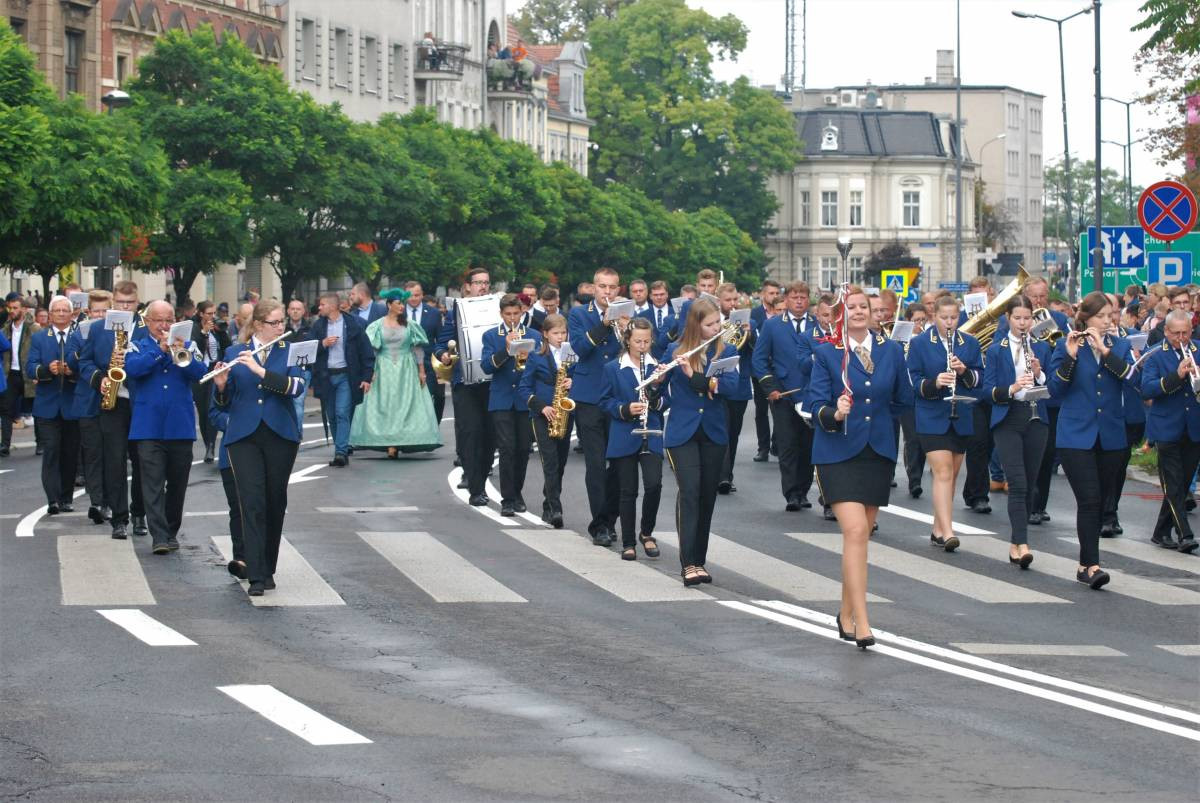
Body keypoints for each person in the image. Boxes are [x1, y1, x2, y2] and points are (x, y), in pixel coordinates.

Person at [807, 286, 912, 650]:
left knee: (860, 539)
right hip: (837, 452)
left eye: (864, 306)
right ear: (841, 315)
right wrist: (835, 413)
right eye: (850, 307)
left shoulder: (892, 352)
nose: (858, 311)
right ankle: (863, 622)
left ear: (874, 312)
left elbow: (902, 399)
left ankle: (845, 612)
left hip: (877, 451)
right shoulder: (826, 354)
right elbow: (814, 404)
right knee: (854, 531)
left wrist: (879, 417)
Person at [210, 301, 307, 596]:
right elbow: (221, 403)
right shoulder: (232, 353)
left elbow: (298, 387)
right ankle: (254, 573)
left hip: (280, 433)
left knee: (274, 501)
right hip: (243, 436)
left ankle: (268, 568)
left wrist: (260, 371)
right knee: (250, 501)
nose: (282, 327)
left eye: (282, 322)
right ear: (258, 325)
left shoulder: (290, 350)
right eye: (275, 323)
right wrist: (222, 385)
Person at [1047, 291, 1135, 589]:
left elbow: (1132, 379)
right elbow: (1055, 389)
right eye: (1101, 317)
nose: (1108, 322)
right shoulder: (1065, 345)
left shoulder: (1120, 345)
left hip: (1111, 435)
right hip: (1075, 435)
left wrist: (1107, 353)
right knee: (1089, 499)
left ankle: (1087, 562)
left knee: (1102, 503)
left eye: (1111, 316)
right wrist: (1071, 357)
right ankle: (1090, 566)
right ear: (1086, 319)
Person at [663, 299, 739, 586]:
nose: (716, 328)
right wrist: (658, 379)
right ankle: (688, 563)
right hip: (682, 432)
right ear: (696, 326)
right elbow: (662, 393)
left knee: (707, 498)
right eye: (709, 325)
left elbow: (732, 388)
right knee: (690, 492)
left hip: (714, 432)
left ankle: (700, 560)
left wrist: (698, 379)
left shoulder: (727, 351)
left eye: (718, 323)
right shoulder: (675, 351)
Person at [123, 300, 208, 554]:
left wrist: (181, 354)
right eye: (158, 320)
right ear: (147, 321)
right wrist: (160, 351)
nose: (164, 325)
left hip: (179, 425)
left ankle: (170, 529)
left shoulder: (189, 345)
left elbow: (200, 372)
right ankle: (159, 535)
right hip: (147, 426)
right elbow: (133, 370)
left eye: (169, 320)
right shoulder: (136, 345)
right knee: (152, 483)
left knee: (178, 483)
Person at [907, 295, 984, 552]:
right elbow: (913, 380)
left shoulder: (969, 343)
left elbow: (979, 378)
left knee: (951, 475)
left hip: (960, 414)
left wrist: (964, 372)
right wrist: (935, 382)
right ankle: (949, 531)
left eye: (954, 318)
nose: (949, 322)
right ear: (934, 317)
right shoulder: (919, 343)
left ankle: (938, 528)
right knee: (942, 472)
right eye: (944, 318)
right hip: (931, 414)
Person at [983, 296, 1051, 568]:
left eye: (1027, 318)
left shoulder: (1043, 347)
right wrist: (1011, 388)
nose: (1023, 323)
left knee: (1030, 484)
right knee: (1018, 483)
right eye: (1018, 318)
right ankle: (1020, 543)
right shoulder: (996, 349)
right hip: (1008, 418)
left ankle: (1017, 541)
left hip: (1036, 418)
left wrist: (1039, 373)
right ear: (1008, 319)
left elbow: (1053, 386)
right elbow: (986, 390)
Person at [79, 281, 148, 539]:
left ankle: (140, 512)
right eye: (120, 303)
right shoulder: (97, 329)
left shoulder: (145, 328)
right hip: (113, 402)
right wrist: (100, 380)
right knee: (114, 460)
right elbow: (84, 362)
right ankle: (120, 518)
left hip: (140, 403)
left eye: (129, 304)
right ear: (112, 302)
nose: (124, 307)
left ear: (137, 303)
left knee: (142, 460)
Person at [567, 267, 627, 545]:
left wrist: (627, 331)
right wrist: (604, 324)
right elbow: (581, 348)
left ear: (618, 289)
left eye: (612, 287)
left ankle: (611, 519)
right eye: (602, 287)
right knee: (595, 463)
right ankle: (599, 525)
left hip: (617, 397)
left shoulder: (628, 314)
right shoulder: (580, 314)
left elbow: (639, 351)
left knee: (617, 463)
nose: (607, 292)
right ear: (593, 288)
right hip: (589, 396)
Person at [601, 317, 667, 560]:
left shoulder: (657, 366)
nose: (642, 346)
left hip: (651, 432)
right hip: (624, 434)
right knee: (627, 491)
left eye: (647, 341)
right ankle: (628, 541)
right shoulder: (612, 368)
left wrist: (656, 388)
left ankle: (646, 532)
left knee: (654, 485)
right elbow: (605, 401)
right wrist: (625, 409)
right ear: (627, 340)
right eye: (637, 341)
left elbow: (665, 401)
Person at [349, 288, 442, 457]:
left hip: (406, 367)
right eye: (399, 303)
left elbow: (417, 349)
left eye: (402, 304)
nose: (402, 307)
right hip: (383, 367)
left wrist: (421, 371)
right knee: (386, 404)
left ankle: (402, 440)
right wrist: (370, 372)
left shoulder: (410, 325)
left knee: (405, 404)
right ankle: (390, 443)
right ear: (389, 305)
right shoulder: (377, 325)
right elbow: (373, 351)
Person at [751, 281, 818, 513]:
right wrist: (770, 388)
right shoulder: (773, 326)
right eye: (794, 297)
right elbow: (759, 360)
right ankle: (791, 493)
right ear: (786, 300)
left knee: (808, 446)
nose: (799, 301)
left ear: (808, 300)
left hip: (810, 395)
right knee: (788, 444)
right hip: (783, 395)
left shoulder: (817, 324)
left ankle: (803, 490)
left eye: (803, 297)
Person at [1140, 310, 1200, 553]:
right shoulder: (1155, 354)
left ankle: (1160, 531)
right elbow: (1147, 389)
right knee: (1173, 485)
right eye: (1176, 333)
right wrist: (1176, 376)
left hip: (1193, 426)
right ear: (1166, 331)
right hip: (1166, 427)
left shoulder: (1197, 349)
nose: (1182, 338)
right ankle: (1184, 534)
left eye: (1186, 332)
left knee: (1182, 483)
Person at [435, 268, 496, 504]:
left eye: (486, 282)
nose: (483, 286)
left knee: (490, 435)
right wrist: (444, 356)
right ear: (468, 286)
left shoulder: (496, 310)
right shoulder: (456, 312)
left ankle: (481, 473)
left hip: (492, 382)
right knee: (471, 433)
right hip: (465, 381)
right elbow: (440, 345)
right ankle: (475, 487)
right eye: (478, 282)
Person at [482, 293, 541, 515]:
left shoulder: (534, 335)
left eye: (516, 313)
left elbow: (540, 366)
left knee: (523, 449)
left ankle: (517, 492)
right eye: (508, 314)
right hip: (502, 398)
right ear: (501, 314)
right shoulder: (491, 336)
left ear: (522, 312)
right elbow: (487, 367)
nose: (512, 318)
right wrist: (507, 350)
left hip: (525, 400)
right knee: (506, 449)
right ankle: (507, 499)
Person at [519, 313, 574, 527]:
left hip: (564, 413)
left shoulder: (571, 355)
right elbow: (524, 389)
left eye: (563, 333)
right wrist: (542, 407)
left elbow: (581, 379)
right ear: (545, 334)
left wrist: (573, 382)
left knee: (560, 462)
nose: (560, 337)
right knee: (549, 461)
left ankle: (547, 501)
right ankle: (555, 508)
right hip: (543, 415)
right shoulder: (535, 357)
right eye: (556, 333)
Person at [26, 296, 80, 515]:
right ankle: (53, 499)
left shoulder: (78, 337)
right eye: (56, 310)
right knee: (51, 451)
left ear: (71, 314)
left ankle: (66, 497)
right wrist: (47, 370)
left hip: (71, 404)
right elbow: (30, 367)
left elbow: (85, 364)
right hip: (47, 405)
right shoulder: (40, 338)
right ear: (50, 314)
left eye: (64, 310)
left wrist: (71, 371)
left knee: (69, 453)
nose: (60, 314)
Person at [310, 291, 374, 467]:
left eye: (322, 305)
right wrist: (323, 344)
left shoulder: (353, 324)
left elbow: (366, 352)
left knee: (342, 413)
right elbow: (308, 348)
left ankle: (341, 452)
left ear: (332, 306)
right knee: (331, 415)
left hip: (346, 375)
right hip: (326, 376)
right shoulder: (318, 326)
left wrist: (366, 377)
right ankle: (342, 445)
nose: (319, 308)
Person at [67, 290, 112, 525]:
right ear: (88, 312)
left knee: (113, 455)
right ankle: (97, 502)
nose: (101, 315)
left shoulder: (118, 330)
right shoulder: (80, 332)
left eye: (105, 311)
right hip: (88, 400)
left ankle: (111, 502)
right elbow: (72, 362)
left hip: (115, 401)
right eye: (97, 311)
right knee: (93, 454)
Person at [716, 282, 755, 494]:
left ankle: (727, 474)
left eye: (734, 301)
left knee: (733, 433)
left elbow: (756, 349)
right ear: (718, 301)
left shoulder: (748, 322)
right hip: (719, 381)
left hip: (739, 385)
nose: (731, 305)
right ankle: (721, 476)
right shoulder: (713, 323)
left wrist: (749, 334)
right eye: (727, 301)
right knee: (721, 429)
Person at [191, 301, 231, 463]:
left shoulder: (216, 327)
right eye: (208, 313)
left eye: (213, 313)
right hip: (200, 372)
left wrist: (221, 332)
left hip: (215, 369)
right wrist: (203, 333)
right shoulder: (194, 328)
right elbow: (194, 349)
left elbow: (228, 347)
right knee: (202, 410)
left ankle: (211, 446)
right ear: (200, 313)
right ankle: (208, 441)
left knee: (211, 406)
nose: (211, 316)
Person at [2, 291, 39, 457]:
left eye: (15, 308)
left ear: (23, 309)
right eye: (9, 308)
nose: (12, 311)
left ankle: (41, 443)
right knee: (6, 409)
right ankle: (5, 444)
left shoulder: (34, 329)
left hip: (29, 374)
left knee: (36, 409)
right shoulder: (5, 330)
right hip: (11, 374)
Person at [404, 281, 445, 424]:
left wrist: (442, 357)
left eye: (417, 295)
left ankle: (434, 426)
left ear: (422, 295)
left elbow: (440, 338)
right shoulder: (399, 313)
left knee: (436, 396)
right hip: (405, 361)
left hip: (430, 361)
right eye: (410, 295)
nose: (414, 298)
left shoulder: (433, 313)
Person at [750, 279, 781, 462]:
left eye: (777, 293)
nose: (774, 296)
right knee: (761, 410)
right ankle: (763, 448)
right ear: (763, 294)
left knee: (779, 408)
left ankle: (776, 442)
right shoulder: (754, 314)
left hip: (778, 369)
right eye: (771, 293)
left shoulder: (783, 312)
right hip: (760, 369)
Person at [285, 298, 313, 428]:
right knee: (285, 402)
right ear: (288, 311)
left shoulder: (310, 328)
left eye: (298, 309)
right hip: (284, 370)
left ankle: (297, 433)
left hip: (303, 370)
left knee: (298, 401)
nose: (295, 312)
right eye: (293, 309)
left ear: (303, 312)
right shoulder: (282, 328)